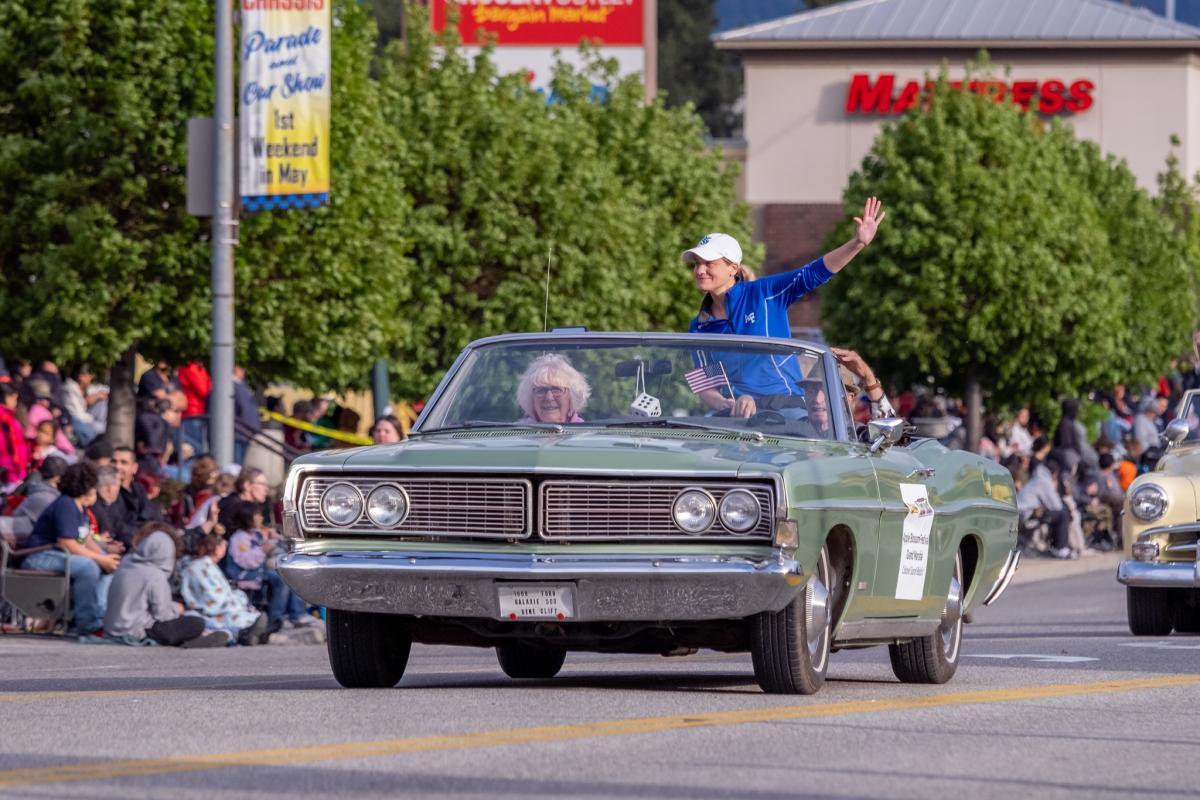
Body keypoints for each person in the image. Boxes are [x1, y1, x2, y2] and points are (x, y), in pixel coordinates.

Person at [684, 198, 885, 417]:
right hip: (736, 413)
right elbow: (705, 383)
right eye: (696, 263)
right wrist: (730, 405)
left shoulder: (764, 293)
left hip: (786, 407)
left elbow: (812, 274)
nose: (700, 270)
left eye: (709, 263)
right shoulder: (699, 326)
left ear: (733, 268)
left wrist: (857, 243)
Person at [20, 461, 117, 634]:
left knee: (106, 568)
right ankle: (88, 624)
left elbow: (85, 539)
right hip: (39, 556)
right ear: (86, 487)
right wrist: (101, 559)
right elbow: (67, 542)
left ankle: (99, 614)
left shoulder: (81, 508)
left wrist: (106, 558)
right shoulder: (66, 505)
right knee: (88, 568)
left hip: (58, 554)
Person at [104, 526, 229, 647]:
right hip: (136, 631)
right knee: (196, 622)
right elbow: (163, 615)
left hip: (111, 629)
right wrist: (177, 609)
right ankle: (191, 639)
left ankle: (192, 639)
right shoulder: (155, 575)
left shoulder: (124, 566)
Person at [223, 500, 312, 629]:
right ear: (247, 518)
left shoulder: (256, 534)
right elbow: (246, 562)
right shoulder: (238, 538)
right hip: (245, 576)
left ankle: (297, 614)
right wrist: (263, 549)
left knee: (291, 575)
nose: (261, 518)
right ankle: (276, 618)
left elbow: (280, 544)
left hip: (258, 573)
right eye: (257, 515)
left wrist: (276, 537)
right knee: (281, 579)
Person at [180, 532, 268, 645]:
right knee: (238, 615)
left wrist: (237, 597)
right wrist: (236, 598)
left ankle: (255, 633)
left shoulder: (207, 565)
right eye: (222, 545)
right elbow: (210, 596)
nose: (225, 548)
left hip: (219, 603)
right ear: (215, 547)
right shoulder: (200, 567)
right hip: (209, 609)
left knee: (246, 611)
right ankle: (246, 633)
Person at [108, 446, 163, 547]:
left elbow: (149, 516)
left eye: (123, 462)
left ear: (134, 468)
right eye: (113, 461)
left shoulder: (138, 490)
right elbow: (116, 526)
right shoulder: (106, 493)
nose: (117, 466)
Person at [7, 456, 69, 546]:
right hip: (24, 548)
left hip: (23, 543)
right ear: (58, 478)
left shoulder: (38, 490)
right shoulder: (47, 498)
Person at [516, 354, 591, 424]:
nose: (549, 397)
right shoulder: (516, 435)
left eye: (557, 390)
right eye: (541, 390)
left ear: (572, 397)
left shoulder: (586, 435)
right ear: (532, 400)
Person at [0, 382, 29, 492]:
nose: (16, 403)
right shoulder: (5, 420)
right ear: (7, 398)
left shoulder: (8, 417)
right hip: (9, 475)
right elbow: (11, 447)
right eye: (14, 398)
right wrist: (14, 473)